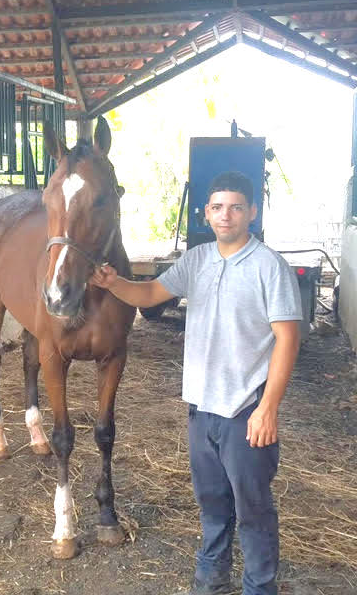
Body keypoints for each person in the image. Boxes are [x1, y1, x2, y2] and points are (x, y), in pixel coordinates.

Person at [89, 171, 302, 595]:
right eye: (218, 207)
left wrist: (268, 407)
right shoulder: (198, 259)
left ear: (251, 213)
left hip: (246, 410)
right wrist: (115, 284)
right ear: (207, 213)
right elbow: (150, 293)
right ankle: (211, 581)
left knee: (253, 510)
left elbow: (288, 338)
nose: (227, 215)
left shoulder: (269, 267)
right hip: (202, 409)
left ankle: (259, 588)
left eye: (236, 207)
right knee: (212, 505)